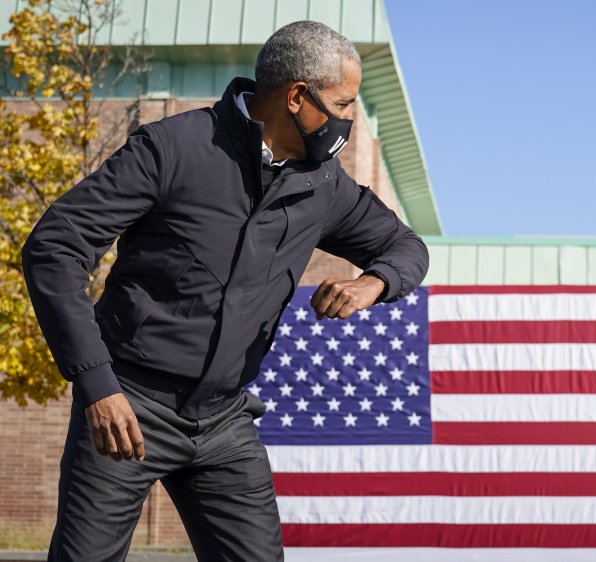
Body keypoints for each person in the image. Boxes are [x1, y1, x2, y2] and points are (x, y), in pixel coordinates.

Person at [22, 21, 428, 561]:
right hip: (128, 405)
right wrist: (97, 385)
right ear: (297, 97)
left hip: (225, 422)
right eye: (344, 102)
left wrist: (373, 283)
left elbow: (406, 246)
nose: (349, 118)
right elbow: (55, 246)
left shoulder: (324, 184)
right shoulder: (173, 148)